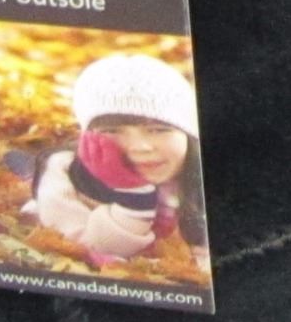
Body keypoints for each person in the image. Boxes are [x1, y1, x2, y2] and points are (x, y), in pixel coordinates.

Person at [28, 52, 206, 269]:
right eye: (113, 131)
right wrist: (133, 196)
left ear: (188, 135)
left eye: (159, 130)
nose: (140, 147)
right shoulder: (62, 174)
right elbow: (94, 247)